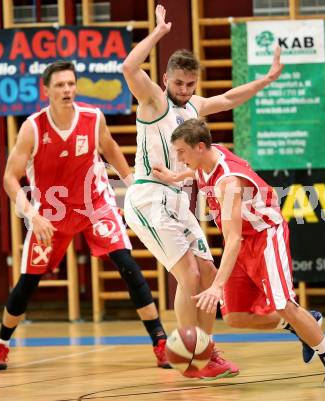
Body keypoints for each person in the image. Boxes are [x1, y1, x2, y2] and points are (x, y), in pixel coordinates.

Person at [122, 5, 285, 379]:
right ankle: (189, 350)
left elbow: (228, 98)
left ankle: (206, 353)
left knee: (211, 277)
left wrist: (268, 79)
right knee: (188, 275)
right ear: (165, 78)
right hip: (149, 196)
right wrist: (159, 32)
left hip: (180, 199)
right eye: (178, 83)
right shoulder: (154, 101)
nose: (184, 90)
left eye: (190, 84)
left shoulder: (194, 106)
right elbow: (129, 68)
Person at [0, 61, 170, 370]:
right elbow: (9, 178)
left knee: (127, 265)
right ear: (46, 91)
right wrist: (33, 214)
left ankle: (160, 342)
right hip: (51, 214)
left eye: (71, 84)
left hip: (94, 204)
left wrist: (132, 187)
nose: (67, 90)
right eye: (60, 85)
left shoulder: (92, 117)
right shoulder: (33, 127)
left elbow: (110, 150)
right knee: (28, 282)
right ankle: (0, 346)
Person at [153, 118, 325, 388]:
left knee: (284, 305)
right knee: (235, 317)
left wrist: (217, 286)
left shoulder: (228, 183)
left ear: (200, 147)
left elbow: (233, 239)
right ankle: (302, 324)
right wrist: (176, 176)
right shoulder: (205, 160)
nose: (178, 158)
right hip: (242, 239)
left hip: (264, 235)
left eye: (181, 152)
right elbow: (200, 177)